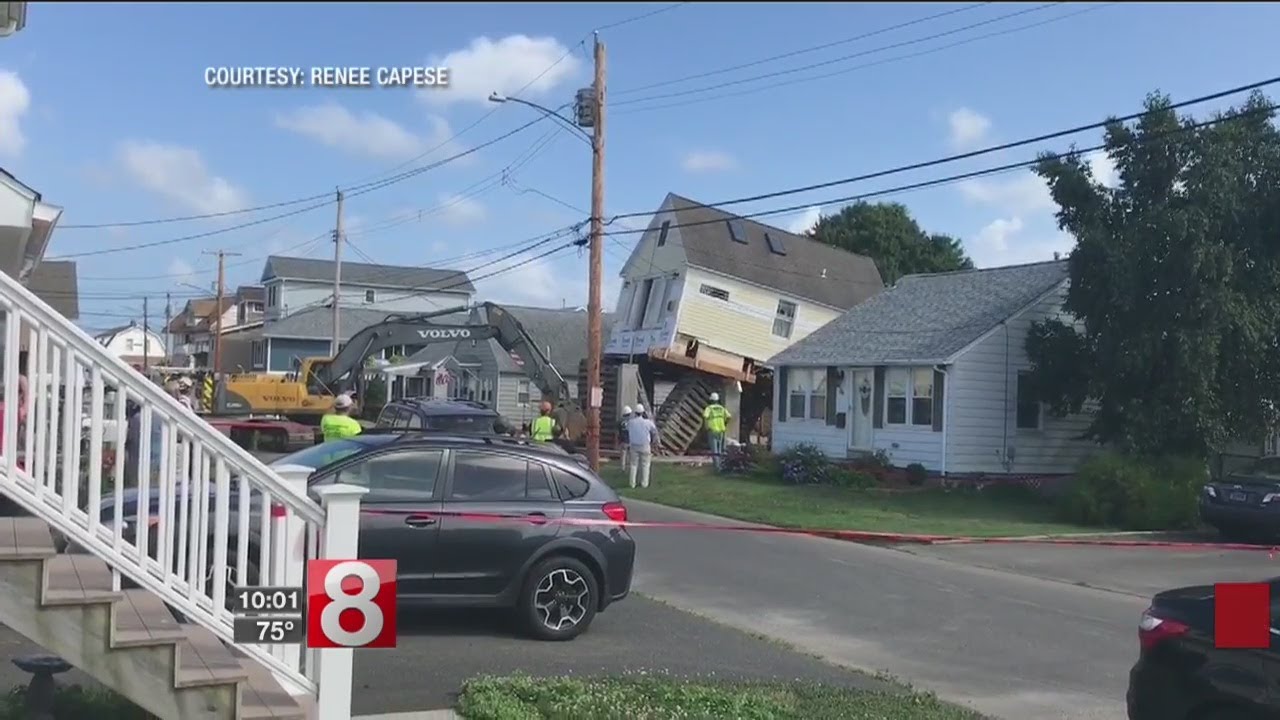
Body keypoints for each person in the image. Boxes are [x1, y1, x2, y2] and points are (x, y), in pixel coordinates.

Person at [625, 403, 659, 489]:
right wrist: (654, 441)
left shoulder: (631, 422)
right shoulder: (648, 422)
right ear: (643, 412)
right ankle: (644, 484)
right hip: (645, 445)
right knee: (645, 464)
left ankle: (632, 484)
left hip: (634, 445)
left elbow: (627, 429)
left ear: (635, 413)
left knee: (633, 465)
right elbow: (654, 431)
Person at [702, 392, 731, 471]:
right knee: (720, 450)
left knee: (714, 451)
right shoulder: (722, 408)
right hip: (721, 431)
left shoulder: (709, 408)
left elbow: (705, 416)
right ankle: (721, 466)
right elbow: (729, 416)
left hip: (712, 430)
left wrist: (706, 427)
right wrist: (724, 424)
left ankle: (717, 468)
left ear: (711, 400)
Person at [617, 406, 633, 474]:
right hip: (631, 440)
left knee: (623, 456)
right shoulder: (632, 420)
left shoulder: (620, 421)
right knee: (631, 455)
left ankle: (622, 468)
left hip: (623, 440)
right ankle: (630, 467)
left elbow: (618, 431)